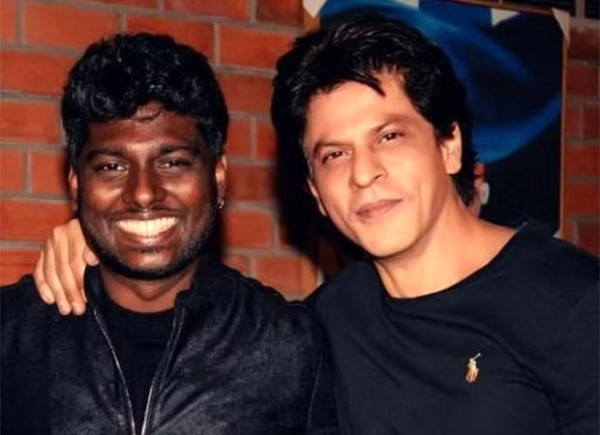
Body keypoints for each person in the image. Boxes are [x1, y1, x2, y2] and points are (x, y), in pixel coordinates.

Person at [29, 15, 599, 435]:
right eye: (334, 155)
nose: (363, 174)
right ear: (315, 193)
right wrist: (102, 240)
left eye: (389, 136)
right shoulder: (326, 323)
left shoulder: (573, 302)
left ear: (449, 145)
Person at [0, 32, 337, 435]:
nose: (143, 193)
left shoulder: (290, 345)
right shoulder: (11, 335)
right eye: (111, 167)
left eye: (172, 163)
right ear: (76, 186)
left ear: (218, 179)